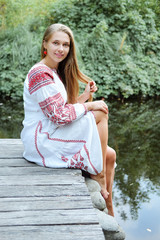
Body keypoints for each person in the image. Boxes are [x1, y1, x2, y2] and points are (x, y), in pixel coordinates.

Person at [21, 23, 116, 216]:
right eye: (56, 43)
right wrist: (90, 105)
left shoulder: (53, 71)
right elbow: (58, 116)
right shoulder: (40, 74)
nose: (61, 49)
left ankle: (109, 207)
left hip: (51, 130)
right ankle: (99, 176)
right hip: (42, 139)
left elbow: (62, 109)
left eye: (66, 45)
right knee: (100, 113)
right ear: (45, 44)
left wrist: (85, 95)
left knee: (110, 154)